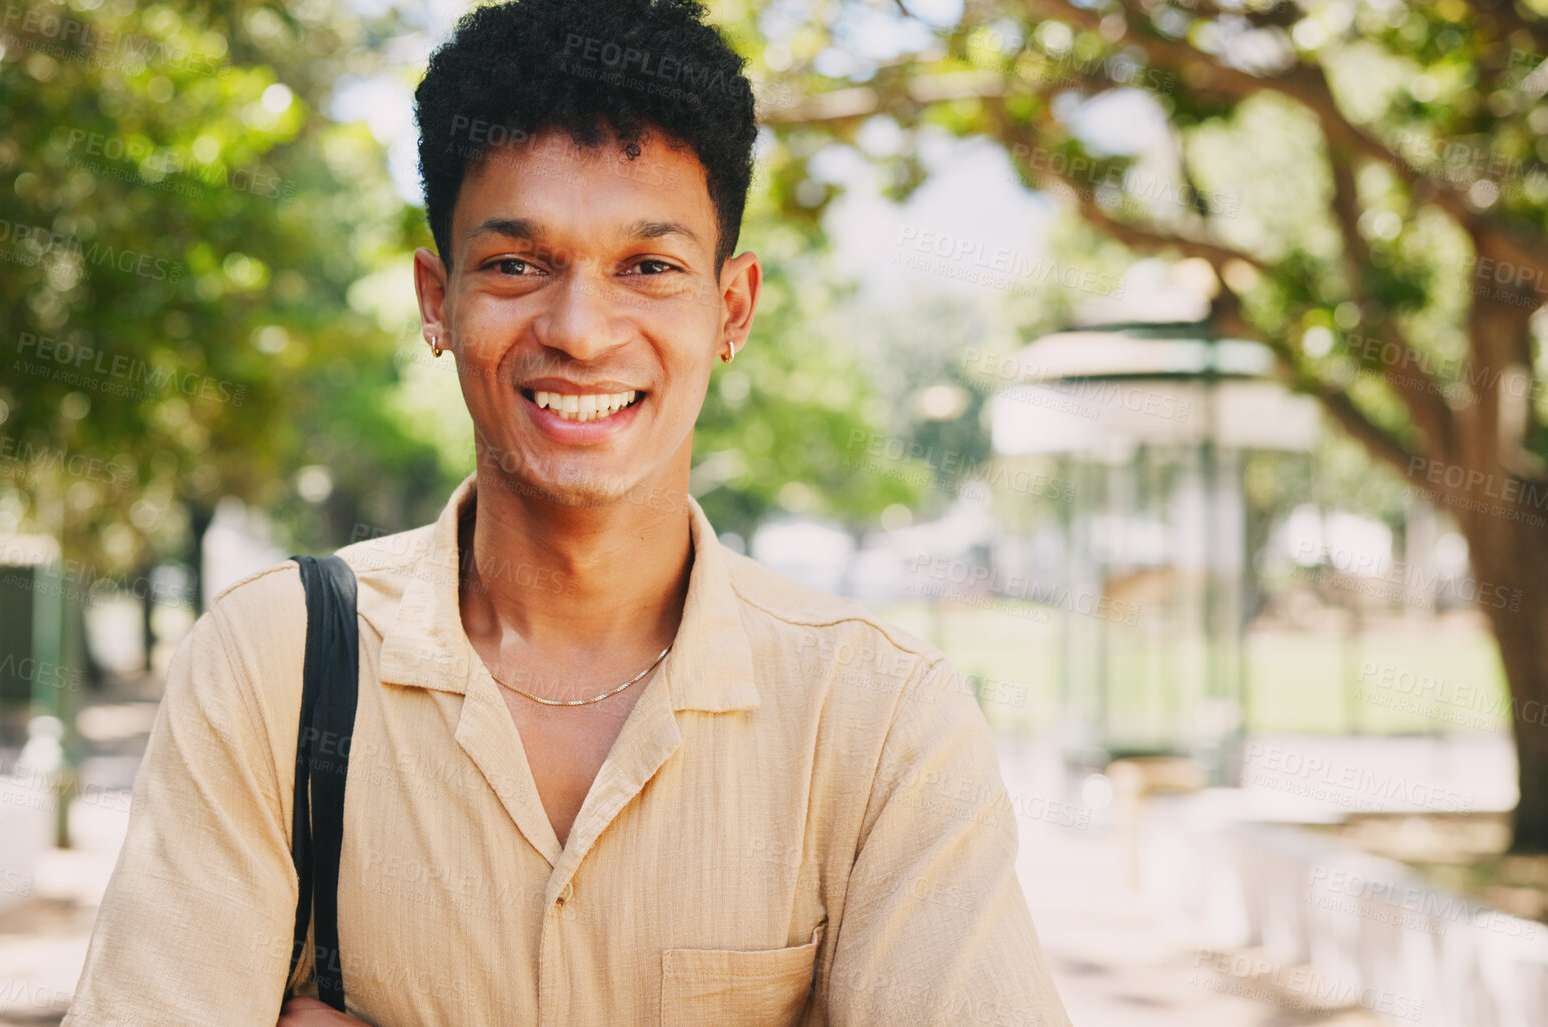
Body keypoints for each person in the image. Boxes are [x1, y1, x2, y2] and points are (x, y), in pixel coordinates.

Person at [62, 0, 1072, 1024]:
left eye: (648, 267)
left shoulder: (876, 716)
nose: (582, 331)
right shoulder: (275, 666)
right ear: (435, 299)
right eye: (515, 264)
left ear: (731, 309)